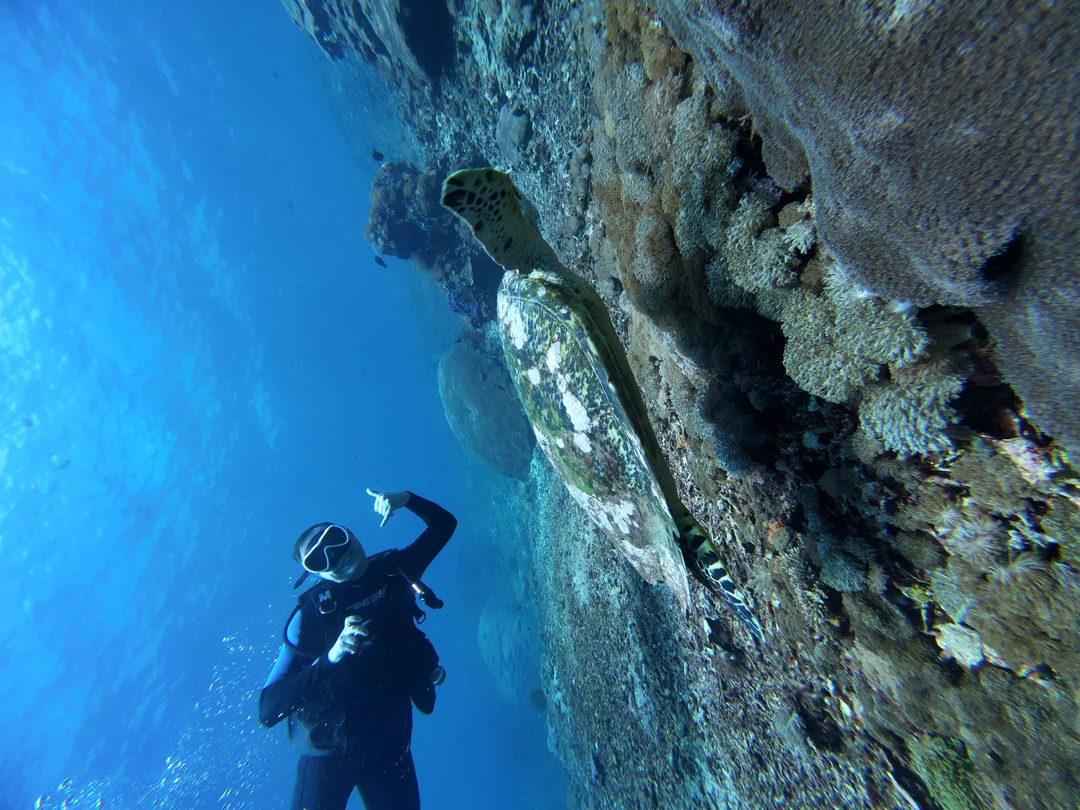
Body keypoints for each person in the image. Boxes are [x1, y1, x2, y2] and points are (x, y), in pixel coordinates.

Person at [259, 488, 457, 810]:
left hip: (389, 739)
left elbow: (444, 524)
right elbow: (268, 708)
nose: (336, 556)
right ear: (316, 573)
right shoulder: (311, 617)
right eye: (320, 558)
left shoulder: (395, 570)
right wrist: (331, 658)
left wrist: (406, 499)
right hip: (329, 748)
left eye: (334, 540)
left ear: (350, 534)